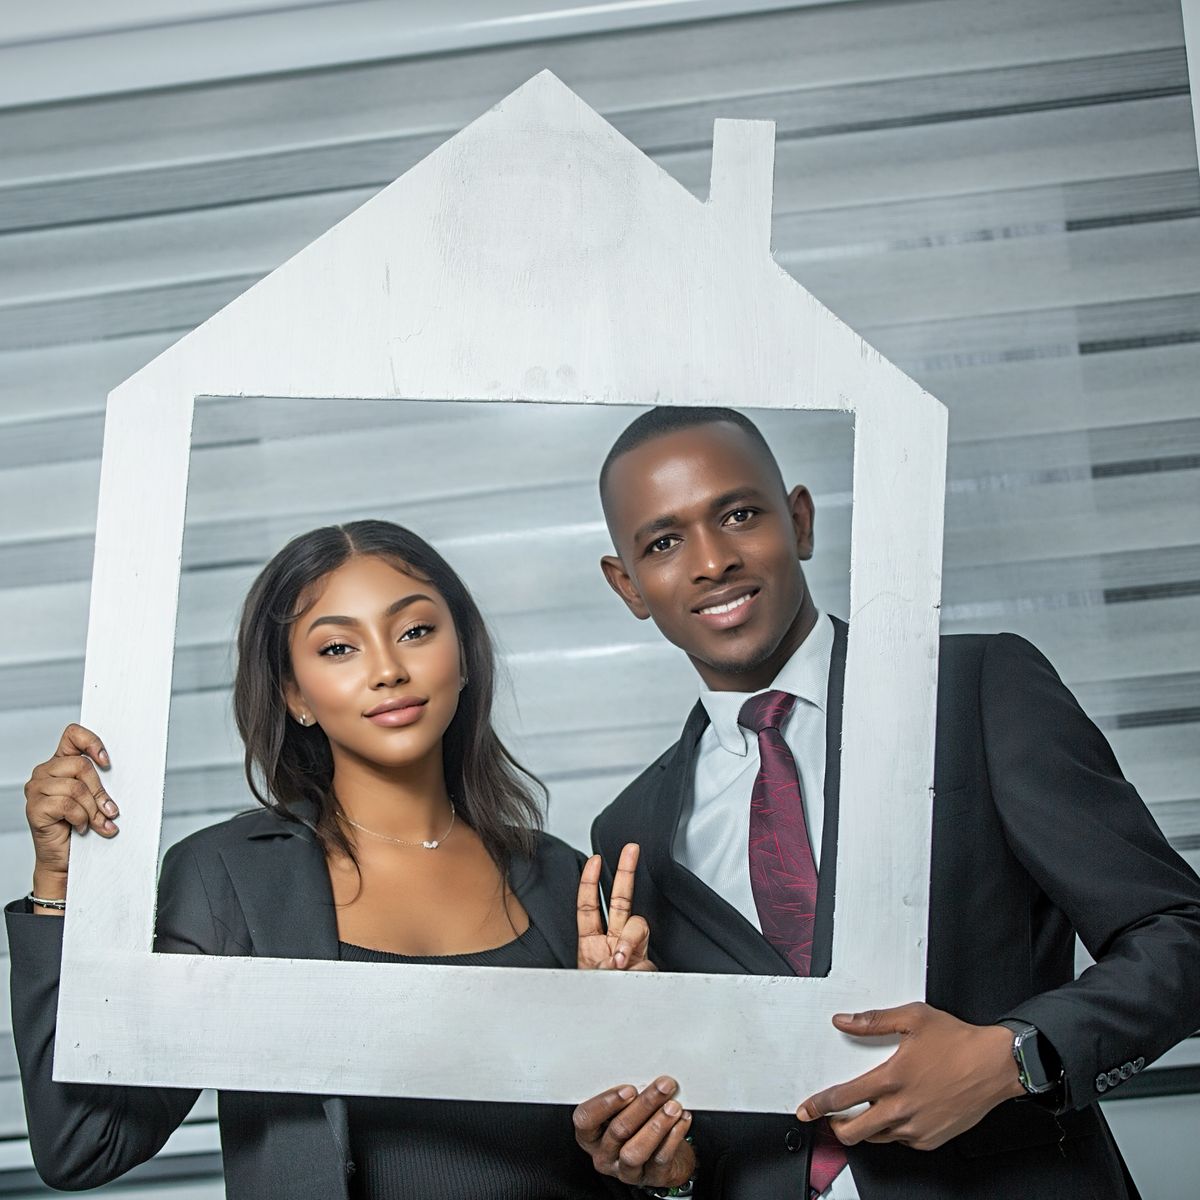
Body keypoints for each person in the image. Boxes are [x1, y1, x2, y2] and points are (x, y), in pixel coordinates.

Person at [572, 407, 1200, 1199]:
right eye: (663, 543)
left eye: (738, 515)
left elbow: (1180, 936)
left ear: (800, 521)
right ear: (627, 584)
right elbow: (708, 1113)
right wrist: (669, 1170)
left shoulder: (973, 690)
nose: (711, 562)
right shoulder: (628, 832)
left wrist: (1014, 1057)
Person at [10, 519, 656, 1200]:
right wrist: (59, 887)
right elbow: (82, 1144)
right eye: (339, 647)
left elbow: (636, 1158)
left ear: (463, 656)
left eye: (415, 631)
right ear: (295, 695)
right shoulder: (227, 878)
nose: (388, 670)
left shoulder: (563, 879)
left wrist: (638, 1045)